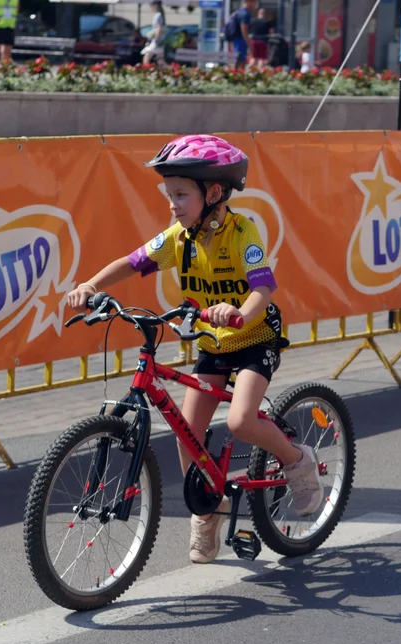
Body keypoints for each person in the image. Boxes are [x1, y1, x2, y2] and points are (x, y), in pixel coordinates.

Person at [65, 135, 323, 564]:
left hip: (254, 338)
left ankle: (298, 462)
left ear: (214, 193)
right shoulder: (177, 239)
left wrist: (238, 311)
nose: (172, 204)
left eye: (181, 194)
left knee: (241, 421)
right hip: (212, 342)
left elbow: (264, 290)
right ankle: (209, 509)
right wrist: (91, 285)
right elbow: (132, 263)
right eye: (169, 195)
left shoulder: (244, 232)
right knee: (188, 430)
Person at [141, 0, 165, 66]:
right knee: (160, 59)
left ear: (155, 5)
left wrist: (156, 39)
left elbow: (158, 28)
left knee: (147, 56)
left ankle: (145, 70)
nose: (150, 7)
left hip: (156, 40)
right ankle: (170, 70)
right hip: (159, 41)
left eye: (151, 5)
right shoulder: (161, 14)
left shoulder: (157, 15)